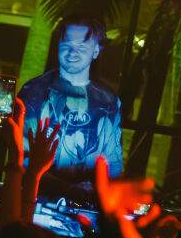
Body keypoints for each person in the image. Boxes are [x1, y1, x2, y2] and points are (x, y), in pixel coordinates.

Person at [19, 16, 123, 187]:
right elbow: (22, 160)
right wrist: (69, 189)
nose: (72, 53)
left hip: (88, 199)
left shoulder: (108, 101)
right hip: (37, 195)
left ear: (96, 51)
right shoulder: (34, 92)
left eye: (81, 47)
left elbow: (113, 165)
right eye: (66, 45)